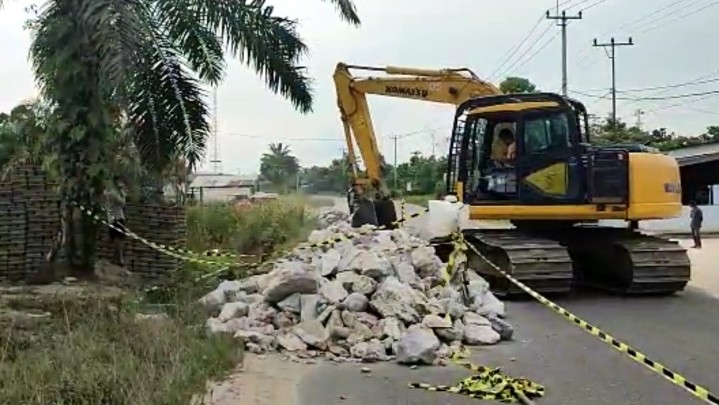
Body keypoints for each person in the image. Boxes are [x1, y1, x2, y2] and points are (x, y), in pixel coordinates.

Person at [105, 176, 128, 266]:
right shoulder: (113, 193)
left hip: (111, 218)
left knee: (114, 239)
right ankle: (119, 259)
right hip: (118, 218)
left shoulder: (108, 192)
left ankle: (115, 258)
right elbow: (122, 202)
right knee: (119, 239)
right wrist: (123, 191)